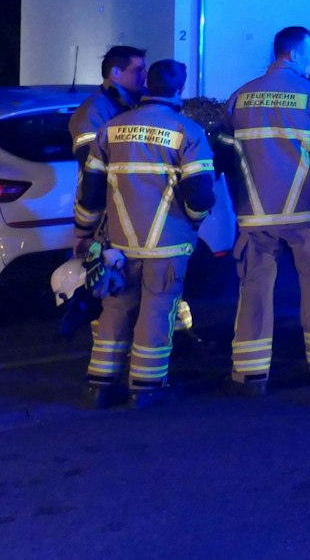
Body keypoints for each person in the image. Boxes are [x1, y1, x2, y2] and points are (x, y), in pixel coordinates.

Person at [74, 60, 215, 409]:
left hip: (118, 244)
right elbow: (199, 194)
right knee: (157, 311)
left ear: (146, 85)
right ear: (179, 90)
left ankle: (100, 385)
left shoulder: (110, 129)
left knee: (115, 310)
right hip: (167, 245)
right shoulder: (188, 132)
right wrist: (194, 221)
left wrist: (84, 232)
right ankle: (146, 387)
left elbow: (90, 192)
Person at [224, 26, 310, 395]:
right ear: (293, 55)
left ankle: (251, 374)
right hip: (308, 213)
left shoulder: (239, 97)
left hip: (255, 214)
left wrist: (240, 197)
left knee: (254, 289)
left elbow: (221, 155)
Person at [68, 45, 146, 186]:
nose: (145, 75)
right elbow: (91, 162)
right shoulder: (91, 111)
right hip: (104, 199)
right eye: (138, 71)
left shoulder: (141, 102)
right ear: (115, 72)